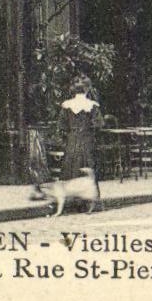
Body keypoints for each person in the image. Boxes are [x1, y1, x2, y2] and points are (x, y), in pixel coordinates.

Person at [59, 75, 103, 204]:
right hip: (87, 141)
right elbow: (98, 124)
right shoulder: (92, 106)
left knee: (70, 166)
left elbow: (61, 126)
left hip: (72, 141)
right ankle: (88, 199)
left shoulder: (66, 106)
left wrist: (68, 136)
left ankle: (70, 199)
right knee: (87, 166)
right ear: (88, 89)